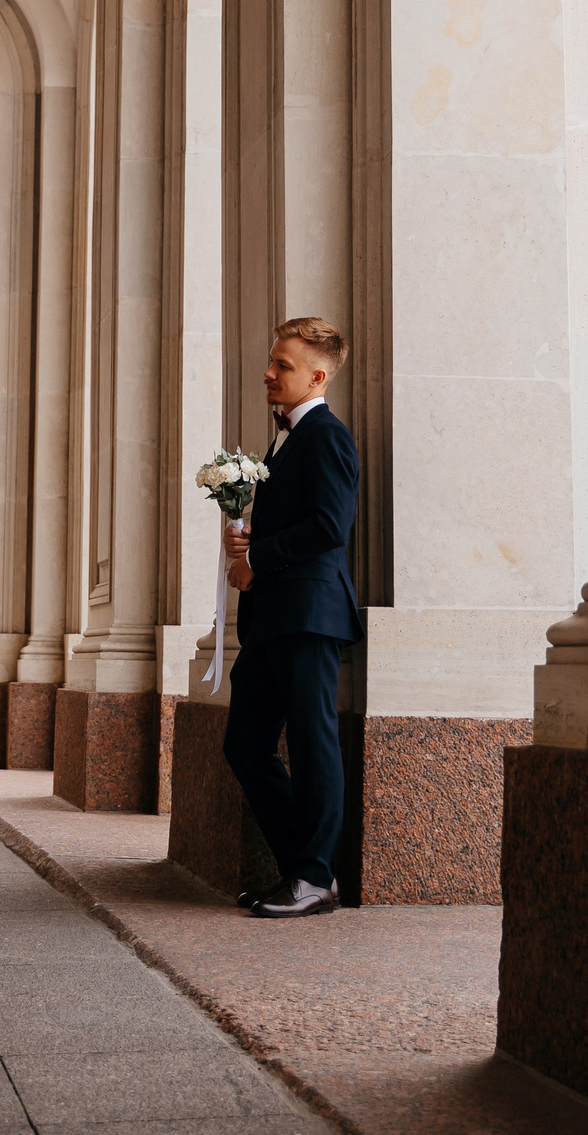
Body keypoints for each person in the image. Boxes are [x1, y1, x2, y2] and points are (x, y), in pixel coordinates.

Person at [220, 316, 362, 919]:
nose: (268, 373)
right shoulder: (283, 439)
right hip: (274, 616)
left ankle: (314, 877)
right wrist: (252, 538)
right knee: (244, 745)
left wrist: (257, 557)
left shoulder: (327, 435)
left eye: (283, 365)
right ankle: (298, 868)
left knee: (312, 746)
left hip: (307, 614)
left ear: (318, 375)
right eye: (272, 360)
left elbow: (332, 527)